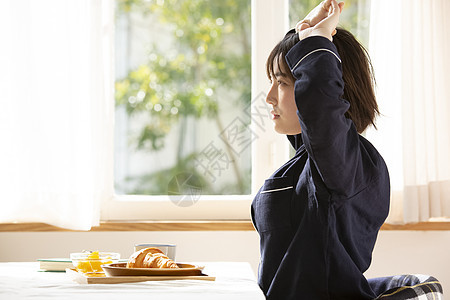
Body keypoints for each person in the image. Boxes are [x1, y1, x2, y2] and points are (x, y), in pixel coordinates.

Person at [250, 0, 391, 299]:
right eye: (272, 81)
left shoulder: (351, 163)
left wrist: (316, 41)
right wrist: (305, 33)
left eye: (284, 82)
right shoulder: (312, 163)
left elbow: (321, 111)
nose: (270, 97)